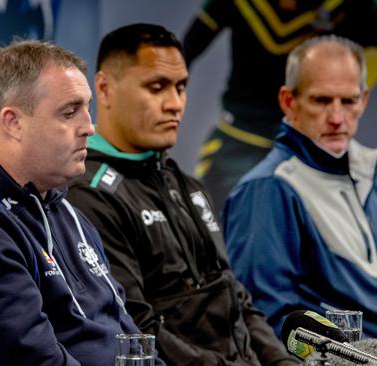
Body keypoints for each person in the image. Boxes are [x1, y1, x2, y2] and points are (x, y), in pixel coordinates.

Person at [0, 40, 163, 366]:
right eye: (69, 112)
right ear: (13, 122)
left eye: (88, 108)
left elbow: (130, 338)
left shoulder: (64, 208)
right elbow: (31, 359)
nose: (89, 127)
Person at [66, 23, 297, 365]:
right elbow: (137, 331)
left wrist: (282, 361)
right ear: (104, 87)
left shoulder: (187, 185)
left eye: (181, 87)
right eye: (156, 87)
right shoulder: (86, 193)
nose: (174, 104)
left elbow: (237, 300)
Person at [223, 35, 377, 338]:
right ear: (289, 102)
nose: (336, 117)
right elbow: (264, 321)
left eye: (348, 101)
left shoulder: (372, 169)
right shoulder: (267, 189)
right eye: (321, 100)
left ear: (364, 100)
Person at [183, 0, 377, 212]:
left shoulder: (351, 8)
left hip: (310, 151)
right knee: (212, 227)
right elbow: (182, 55)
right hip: (237, 142)